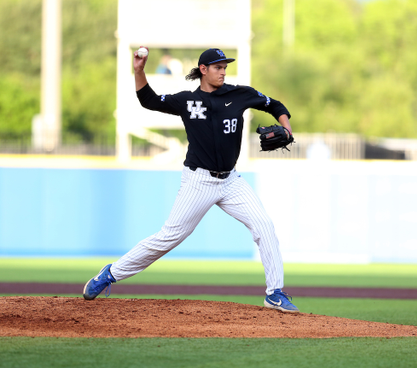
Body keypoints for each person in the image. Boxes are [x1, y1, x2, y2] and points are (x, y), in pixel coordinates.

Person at [82, 47, 299, 313]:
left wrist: (286, 127)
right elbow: (149, 100)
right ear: (203, 70)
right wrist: (139, 71)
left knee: (264, 226)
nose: (223, 71)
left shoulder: (240, 94)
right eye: (218, 67)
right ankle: (110, 274)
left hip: (231, 181)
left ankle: (274, 292)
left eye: (225, 67)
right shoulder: (187, 101)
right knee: (168, 238)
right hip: (199, 181)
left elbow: (275, 105)